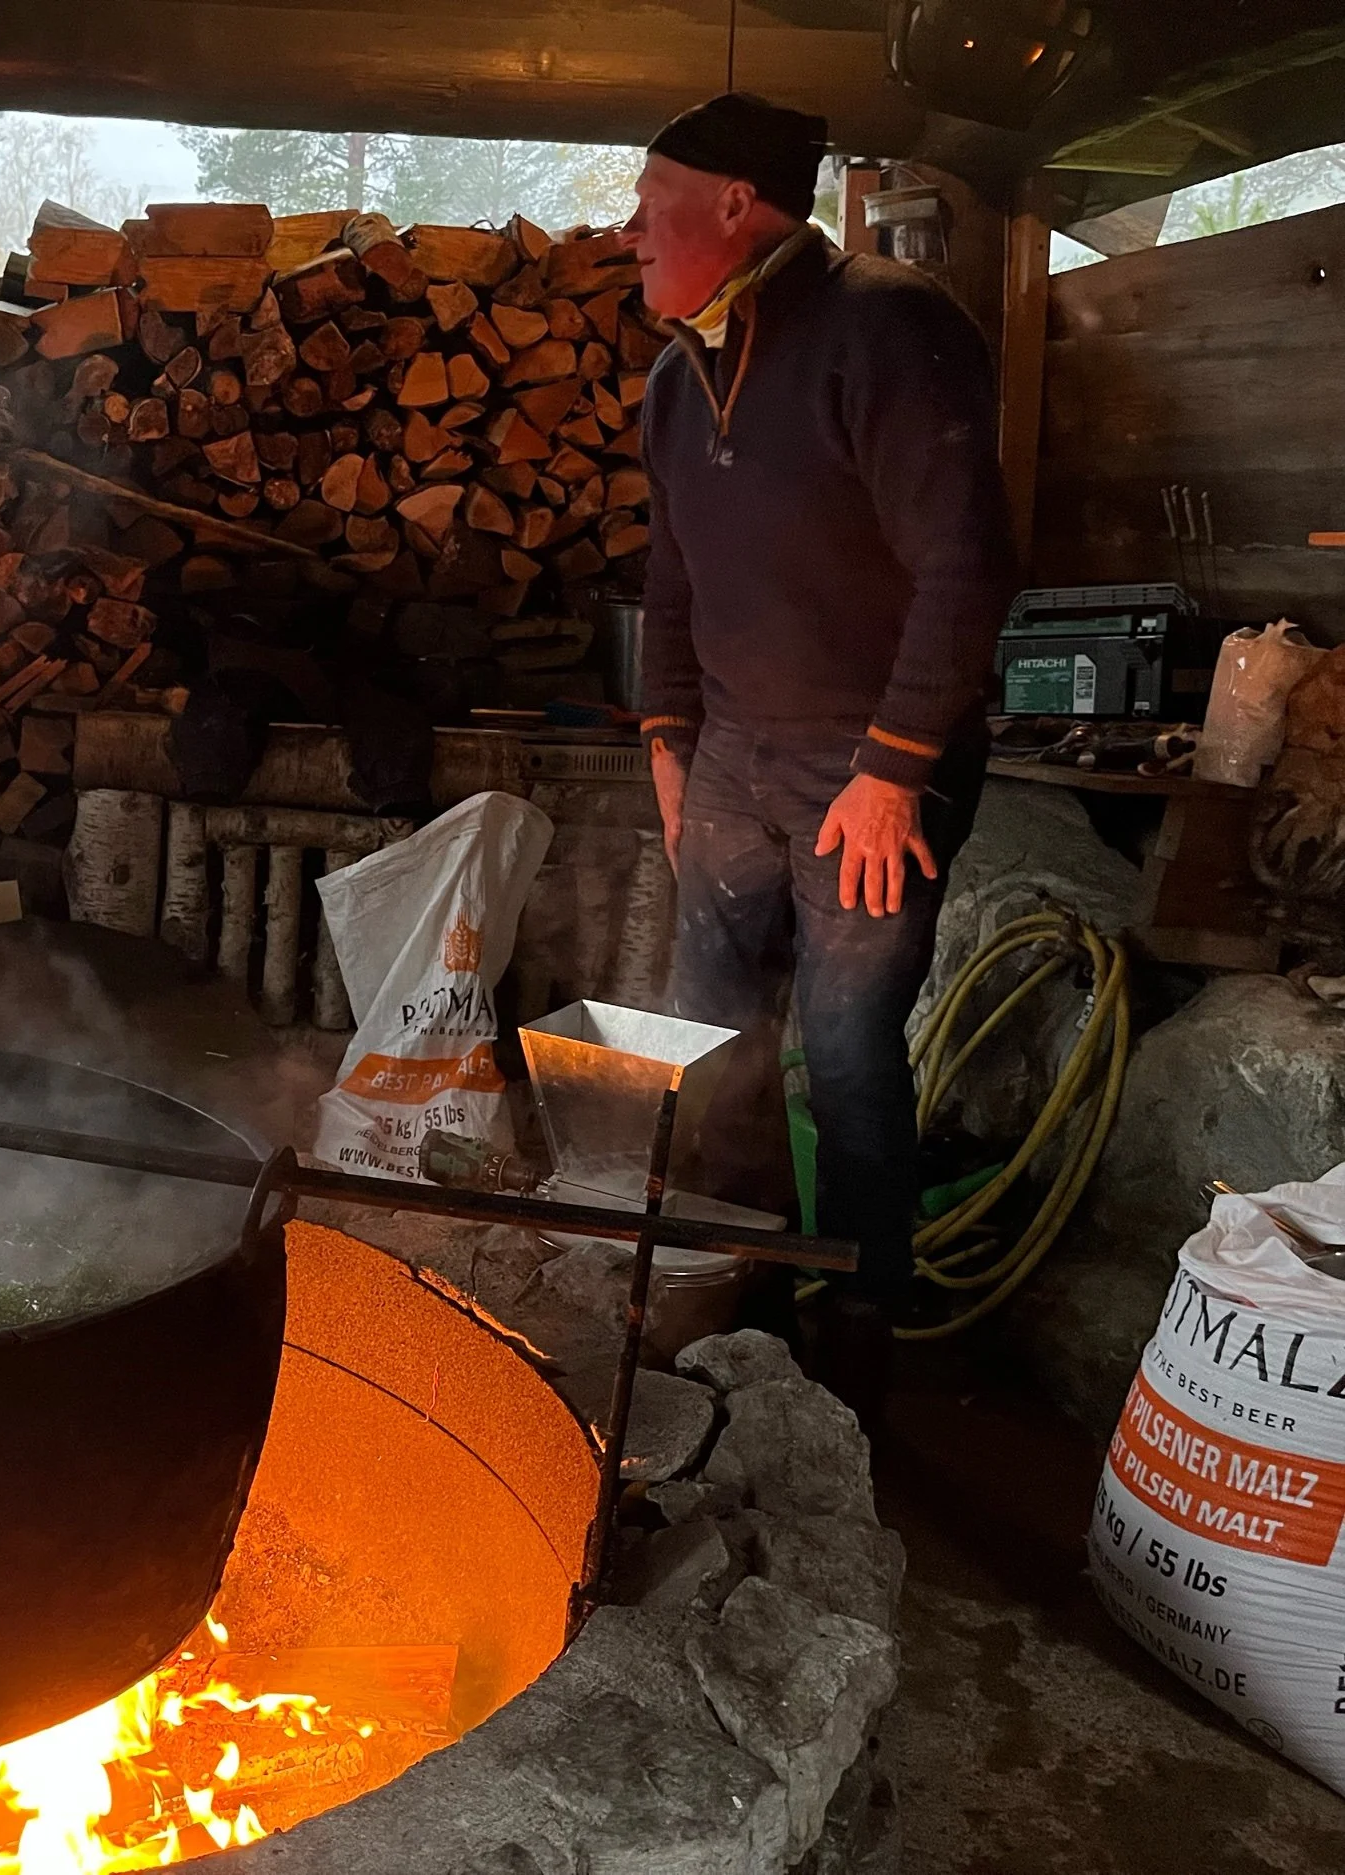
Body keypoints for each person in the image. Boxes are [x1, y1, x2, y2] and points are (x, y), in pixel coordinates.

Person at [626, 94, 1016, 1399]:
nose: (630, 229)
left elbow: (966, 562)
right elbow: (670, 585)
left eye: (653, 201)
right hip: (733, 756)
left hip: (870, 764)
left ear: (737, 204)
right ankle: (745, 1312)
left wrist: (895, 768)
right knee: (710, 1042)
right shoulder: (677, 380)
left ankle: (857, 1344)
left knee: (845, 1054)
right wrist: (669, 743)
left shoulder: (886, 327)